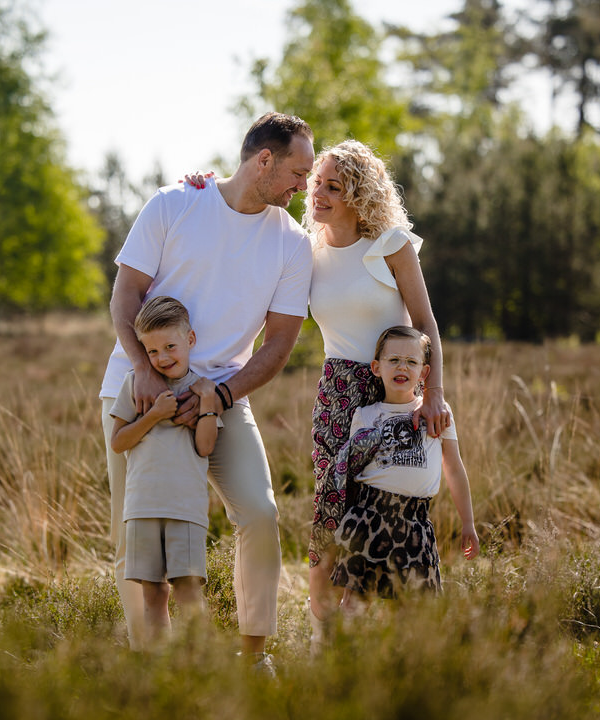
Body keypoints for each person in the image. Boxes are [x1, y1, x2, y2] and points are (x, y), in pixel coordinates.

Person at [185, 139, 451, 653]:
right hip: (336, 393)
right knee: (332, 509)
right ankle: (326, 633)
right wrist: (204, 188)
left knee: (390, 506)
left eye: (333, 185)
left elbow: (426, 325)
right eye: (315, 184)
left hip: (391, 390)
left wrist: (433, 392)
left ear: (358, 192)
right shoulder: (305, 248)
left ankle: (406, 632)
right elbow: (238, 216)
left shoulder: (390, 245)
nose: (319, 194)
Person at [99, 112, 315, 671]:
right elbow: (126, 294)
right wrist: (144, 371)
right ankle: (157, 670)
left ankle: (252, 657)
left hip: (221, 398)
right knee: (135, 532)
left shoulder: (292, 244)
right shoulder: (174, 204)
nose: (303, 186)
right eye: (297, 171)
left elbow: (278, 345)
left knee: (261, 513)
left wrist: (220, 396)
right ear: (263, 160)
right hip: (140, 392)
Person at [330, 326, 478, 609]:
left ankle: (406, 655)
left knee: (414, 610)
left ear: (424, 373)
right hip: (368, 517)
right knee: (354, 605)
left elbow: (454, 467)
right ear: (376, 367)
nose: (402, 367)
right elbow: (348, 474)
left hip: (415, 521)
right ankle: (346, 652)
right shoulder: (365, 415)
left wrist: (468, 522)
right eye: (394, 360)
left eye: (412, 362)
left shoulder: (437, 413)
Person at [109, 296, 222, 647]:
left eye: (170, 346)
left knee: (188, 590)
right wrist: (154, 415)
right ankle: (160, 671)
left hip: (185, 509)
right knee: (153, 595)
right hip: (142, 508)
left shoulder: (204, 389)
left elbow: (205, 446)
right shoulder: (135, 385)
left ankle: (199, 663)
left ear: (189, 340)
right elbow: (118, 442)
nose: (162, 358)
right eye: (152, 351)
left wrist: (205, 403)